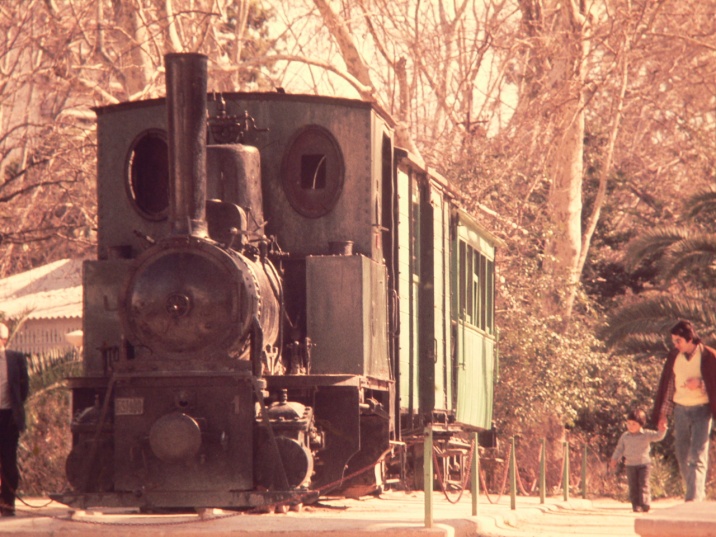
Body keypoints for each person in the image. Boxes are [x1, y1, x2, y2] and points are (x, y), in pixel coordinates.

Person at [651, 319, 716, 502]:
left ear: (690, 339)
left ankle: (691, 501)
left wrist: (701, 384)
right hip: (680, 411)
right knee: (682, 454)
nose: (675, 345)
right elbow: (669, 387)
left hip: (702, 411)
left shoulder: (709, 356)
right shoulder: (674, 357)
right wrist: (663, 414)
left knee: (697, 456)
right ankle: (696, 494)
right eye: (674, 341)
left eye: (678, 341)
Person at [610, 408, 666, 512]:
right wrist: (614, 459)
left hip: (644, 465)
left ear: (641, 424)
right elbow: (619, 449)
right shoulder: (625, 436)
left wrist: (662, 429)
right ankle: (636, 505)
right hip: (630, 465)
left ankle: (645, 503)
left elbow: (658, 436)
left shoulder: (646, 434)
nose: (630, 426)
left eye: (634, 424)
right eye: (629, 423)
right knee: (633, 486)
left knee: (643, 484)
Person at [0, 322, 29, 517]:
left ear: (4, 339)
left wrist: (16, 410)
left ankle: (8, 503)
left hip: (9, 416)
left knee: (9, 460)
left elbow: (24, 388)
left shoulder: (16, 359)